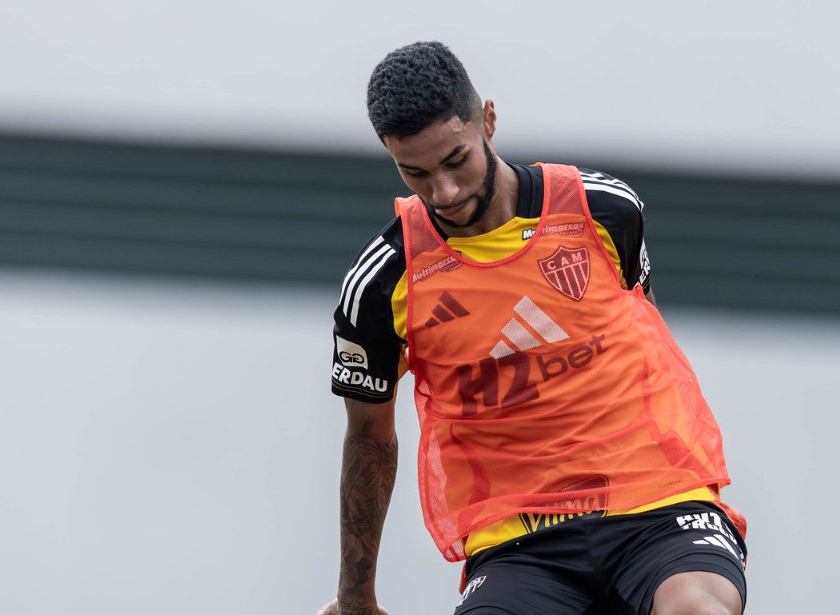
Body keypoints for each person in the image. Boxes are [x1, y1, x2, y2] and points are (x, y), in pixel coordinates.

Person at [320, 41, 748, 615]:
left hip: (659, 505)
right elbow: (369, 439)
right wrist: (355, 600)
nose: (443, 193)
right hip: (520, 541)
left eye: (456, 161)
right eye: (415, 172)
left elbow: (643, 333)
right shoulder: (381, 283)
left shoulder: (605, 209)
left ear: (488, 120)